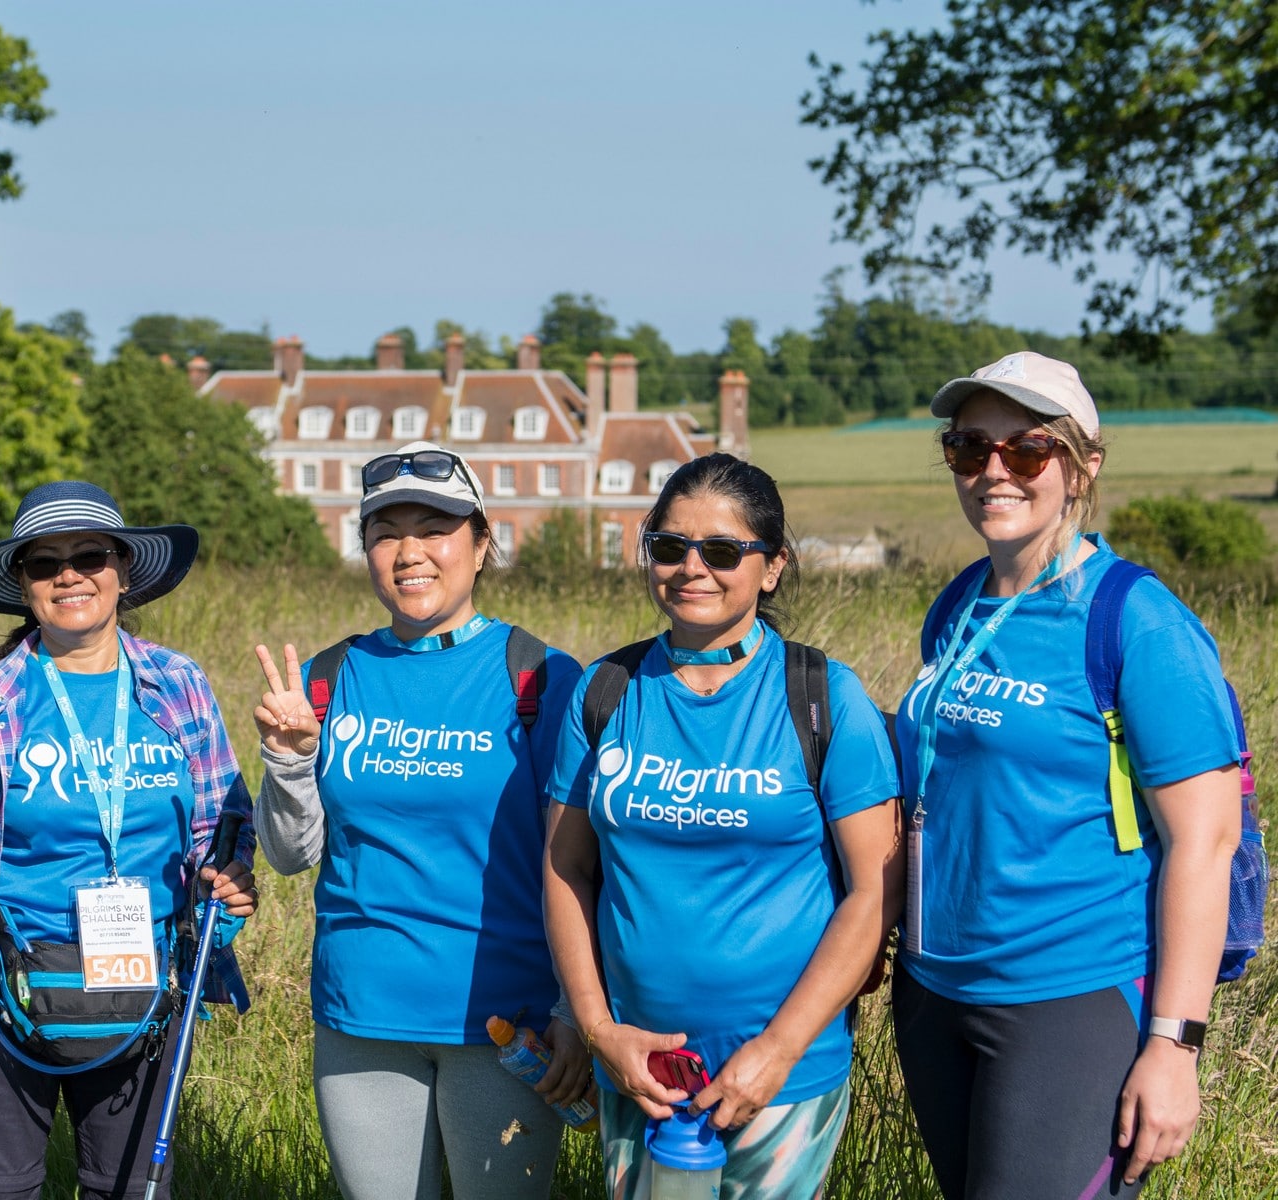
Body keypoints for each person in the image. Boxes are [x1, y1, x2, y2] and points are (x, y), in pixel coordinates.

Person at [892, 352, 1243, 1199]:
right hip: (935, 993)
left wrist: (1174, 1044)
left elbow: (1206, 839)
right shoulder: (960, 602)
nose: (994, 472)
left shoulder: (1137, 621)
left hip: (1069, 1000)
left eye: (1028, 450)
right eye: (970, 448)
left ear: (1083, 465)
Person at [0, 481, 257, 1200]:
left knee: (131, 1189)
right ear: (22, 585)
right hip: (4, 996)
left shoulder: (180, 686)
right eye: (45, 564)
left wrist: (228, 889)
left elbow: (221, 829)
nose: (69, 574)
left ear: (123, 571)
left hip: (143, 993)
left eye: (89, 555)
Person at [543, 452, 901, 1200]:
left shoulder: (824, 697)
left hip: (783, 1078)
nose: (691, 568)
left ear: (771, 567)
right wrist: (598, 1029)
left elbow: (875, 891)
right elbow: (565, 866)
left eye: (723, 550)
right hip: (639, 1073)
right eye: (669, 547)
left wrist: (778, 1049)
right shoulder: (605, 693)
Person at [252, 441, 587, 1200]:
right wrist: (289, 759)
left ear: (480, 541)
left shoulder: (540, 676)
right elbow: (290, 853)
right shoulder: (330, 677)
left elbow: (579, 861)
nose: (410, 552)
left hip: (505, 1024)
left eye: (434, 526)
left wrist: (573, 1010)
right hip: (360, 1017)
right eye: (385, 531)